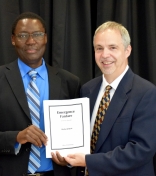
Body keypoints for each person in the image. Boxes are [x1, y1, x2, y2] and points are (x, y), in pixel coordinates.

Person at [0, 12, 80, 176]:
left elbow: (76, 137)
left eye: (37, 34)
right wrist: (17, 137)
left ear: (45, 38)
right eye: (23, 35)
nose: (31, 41)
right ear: (13, 39)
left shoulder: (70, 82)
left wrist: (68, 160)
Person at [64, 21, 156, 176]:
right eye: (99, 48)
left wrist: (88, 161)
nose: (105, 55)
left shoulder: (146, 93)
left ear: (128, 50)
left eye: (113, 47)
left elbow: (141, 150)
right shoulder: (87, 89)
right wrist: (67, 155)